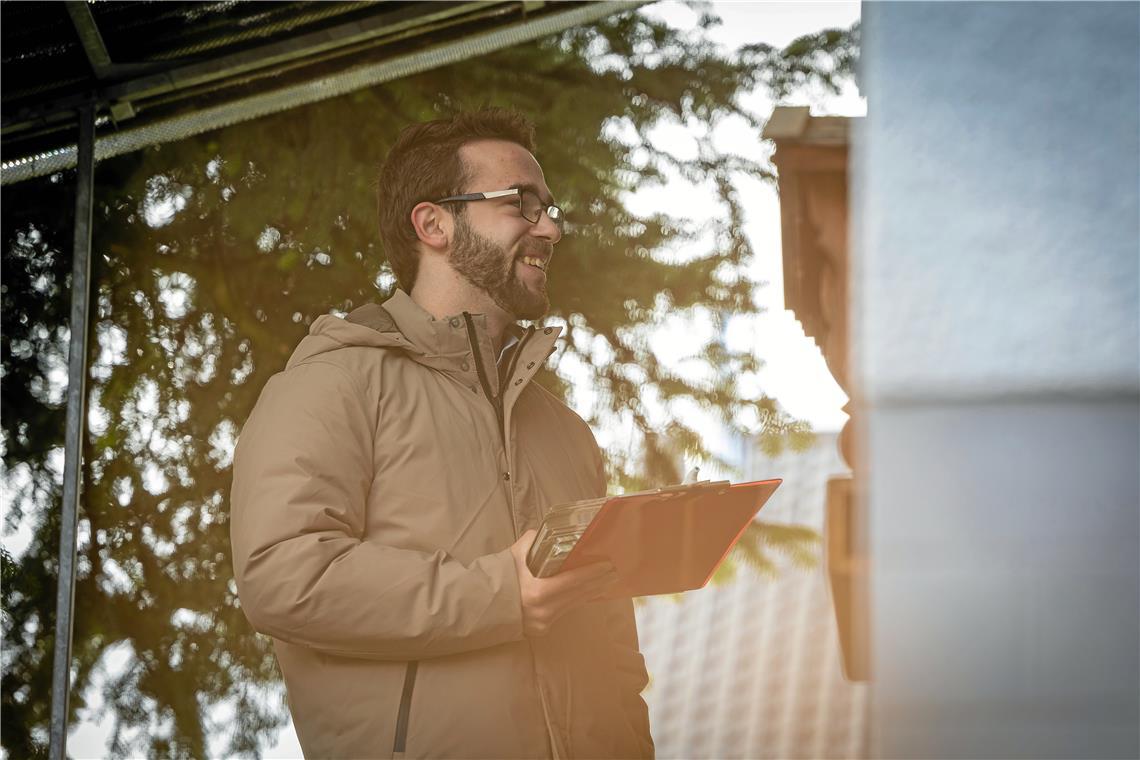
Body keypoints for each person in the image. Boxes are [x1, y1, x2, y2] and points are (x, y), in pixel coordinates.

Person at [230, 108, 654, 759]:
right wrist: (500, 595)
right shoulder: (330, 384)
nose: (552, 227)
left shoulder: (567, 433)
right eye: (522, 204)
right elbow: (283, 576)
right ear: (434, 224)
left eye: (550, 206)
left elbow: (614, 650)